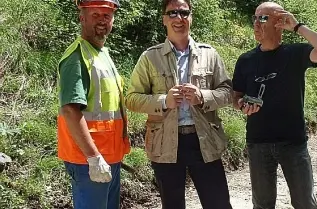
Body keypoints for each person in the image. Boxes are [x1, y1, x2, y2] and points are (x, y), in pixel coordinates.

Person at [124, 0, 233, 208]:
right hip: (164, 142)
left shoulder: (209, 54)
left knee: (218, 203)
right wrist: (164, 100)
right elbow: (131, 99)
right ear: (164, 19)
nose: (179, 18)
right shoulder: (149, 57)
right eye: (172, 13)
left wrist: (202, 96)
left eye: (184, 13)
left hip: (204, 139)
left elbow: (228, 92)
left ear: (191, 17)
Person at [232, 2, 317, 209]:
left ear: (279, 23)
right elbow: (236, 96)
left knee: (304, 203)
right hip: (258, 142)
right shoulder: (245, 60)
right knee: (262, 205)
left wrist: (298, 27)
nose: (256, 23)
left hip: (293, 143)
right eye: (255, 18)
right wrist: (242, 104)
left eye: (263, 18)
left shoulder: (296, 54)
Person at [56, 0, 130, 208]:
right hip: (88, 161)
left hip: (108, 157)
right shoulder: (77, 57)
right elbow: (70, 110)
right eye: (95, 15)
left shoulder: (102, 54)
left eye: (106, 16)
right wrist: (94, 157)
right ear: (82, 18)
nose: (102, 20)